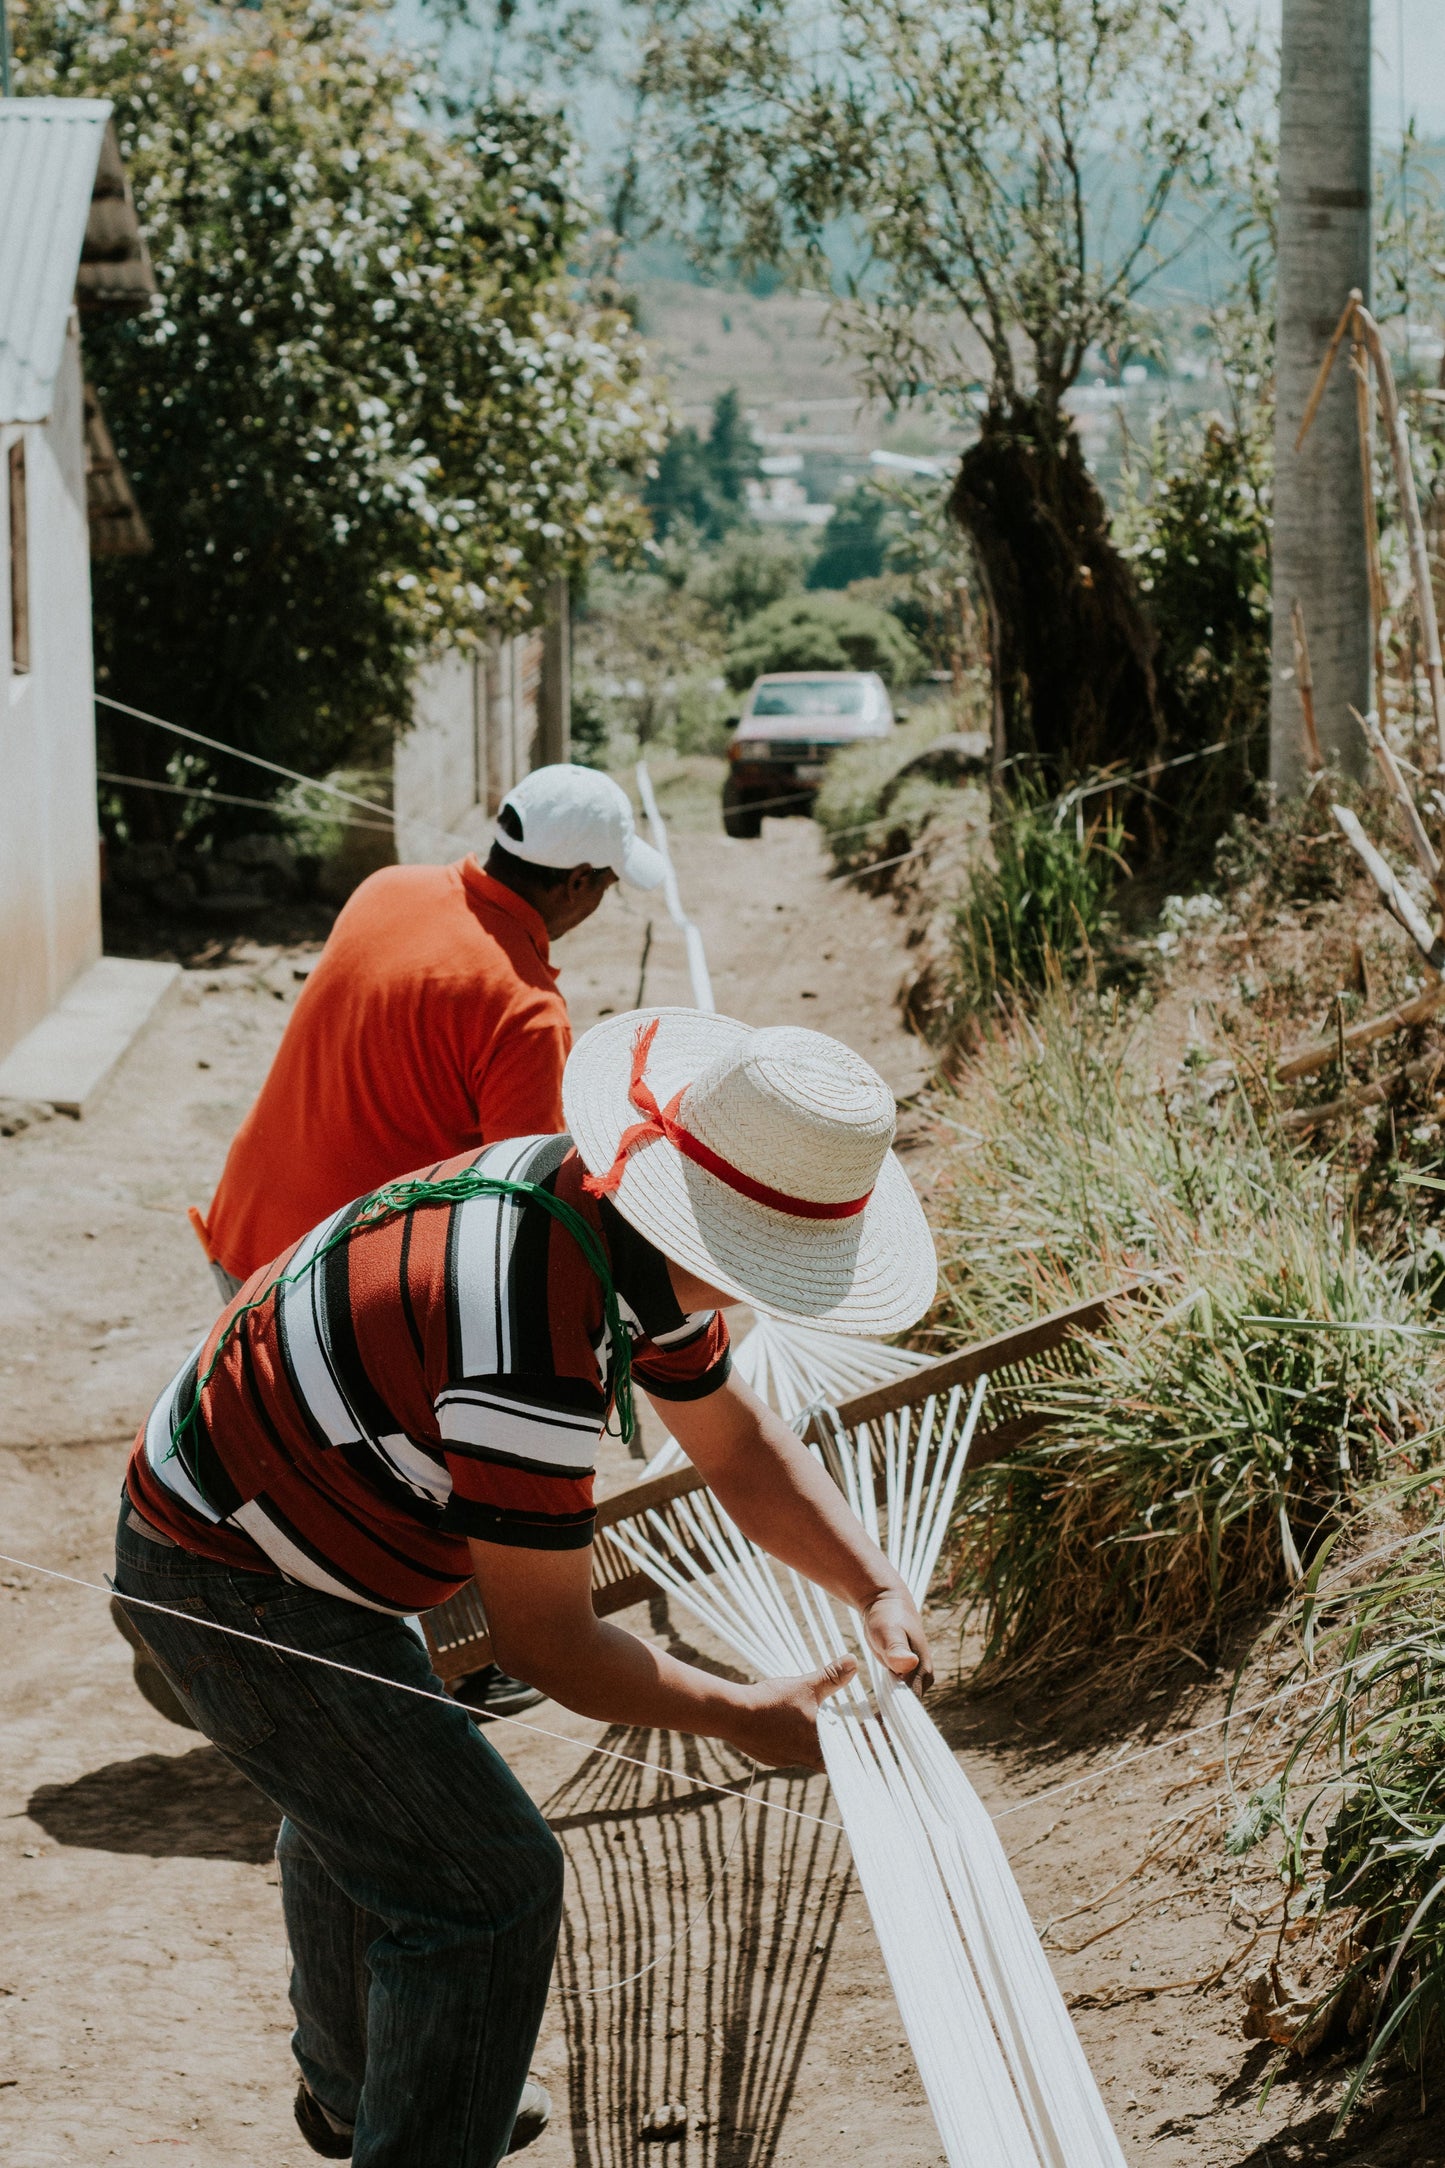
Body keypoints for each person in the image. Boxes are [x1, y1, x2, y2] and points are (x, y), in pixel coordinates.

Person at [113, 1010, 937, 2167]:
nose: (759, 1298)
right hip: (225, 1566)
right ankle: (400, 2121)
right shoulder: (529, 1335)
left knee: (377, 1799)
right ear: (716, 1230)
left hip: (271, 1511)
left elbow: (737, 1448)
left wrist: (874, 1581)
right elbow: (547, 1642)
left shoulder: (604, 1212)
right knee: (485, 1883)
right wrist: (743, 1714)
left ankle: (361, 2093)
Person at [126, 764, 665, 1726]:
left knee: (311, 1468)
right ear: (578, 884)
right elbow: (531, 1218)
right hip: (332, 1293)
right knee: (414, 1478)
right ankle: (375, 1696)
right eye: (610, 886)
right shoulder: (524, 1009)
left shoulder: (391, 889)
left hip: (248, 1228)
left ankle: (373, 1662)